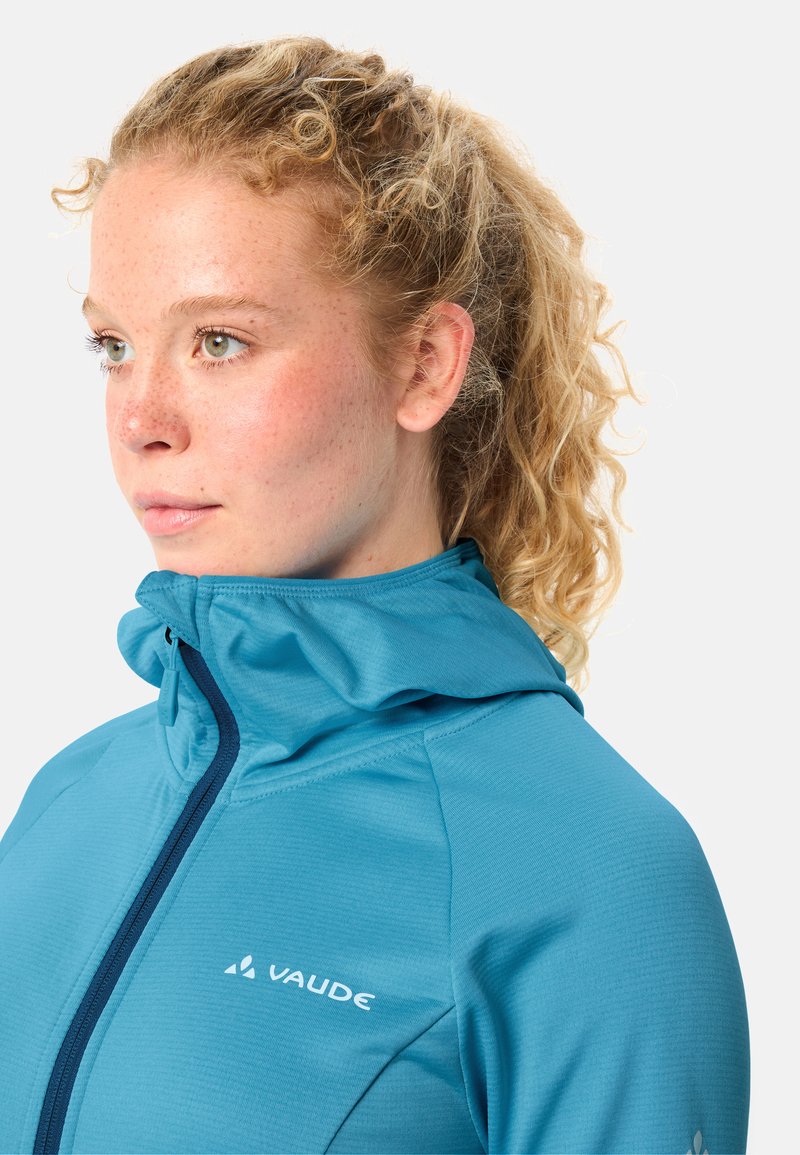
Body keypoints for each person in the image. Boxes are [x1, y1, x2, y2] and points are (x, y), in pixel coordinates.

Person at [0, 36, 749, 1155]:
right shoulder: (73, 797)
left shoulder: (590, 870)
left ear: (423, 365)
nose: (141, 417)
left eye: (218, 341)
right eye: (113, 344)